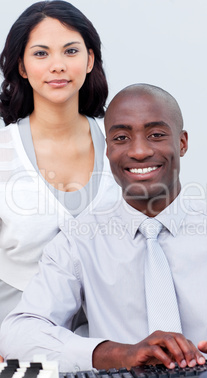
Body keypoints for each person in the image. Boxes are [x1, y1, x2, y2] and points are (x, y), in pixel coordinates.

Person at [0, 84, 207, 372]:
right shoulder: (78, 242)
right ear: (108, 151)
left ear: (182, 143)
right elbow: (18, 333)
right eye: (121, 138)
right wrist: (117, 354)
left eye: (156, 135)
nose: (140, 151)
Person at [0, 0, 119, 327]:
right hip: (15, 349)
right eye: (41, 53)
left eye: (70, 51)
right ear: (22, 67)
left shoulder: (121, 145)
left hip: (113, 348)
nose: (58, 65)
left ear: (90, 59)